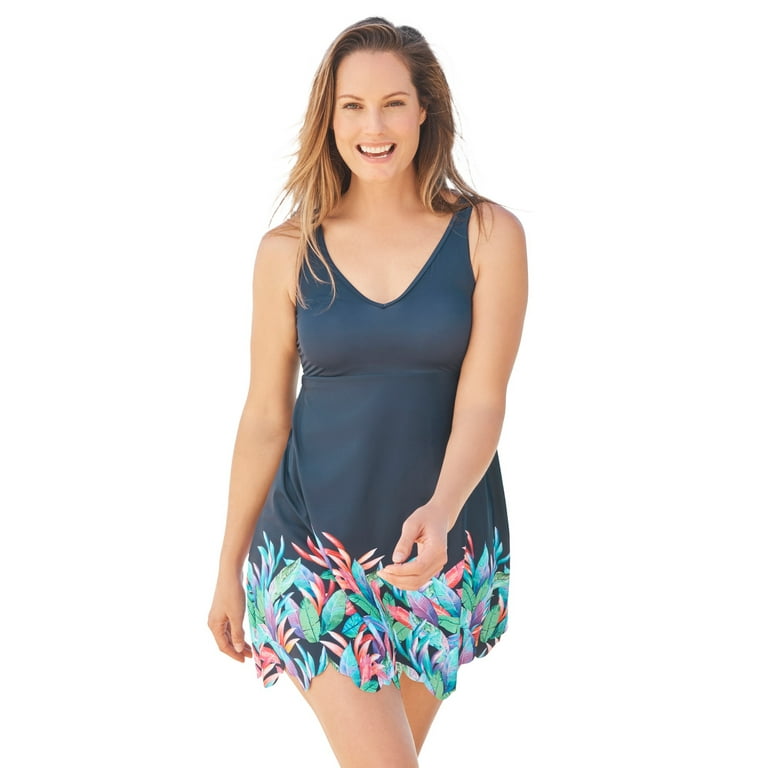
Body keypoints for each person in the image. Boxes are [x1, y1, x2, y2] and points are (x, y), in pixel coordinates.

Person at [208, 16, 528, 767]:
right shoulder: (288, 251)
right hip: (312, 549)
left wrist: (441, 512)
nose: (372, 127)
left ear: (424, 111)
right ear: (329, 118)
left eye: (392, 104)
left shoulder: (488, 235)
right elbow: (265, 417)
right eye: (352, 106)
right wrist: (227, 566)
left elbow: (484, 400)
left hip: (439, 549)